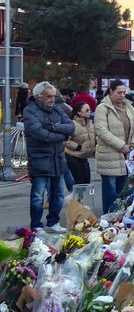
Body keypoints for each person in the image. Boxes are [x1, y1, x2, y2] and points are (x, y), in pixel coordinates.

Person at [23, 81, 74, 232]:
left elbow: (71, 127)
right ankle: (36, 225)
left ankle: (53, 222)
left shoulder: (57, 111)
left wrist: (54, 127)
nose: (52, 99)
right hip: (39, 161)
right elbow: (40, 134)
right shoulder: (29, 111)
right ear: (39, 97)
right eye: (48, 96)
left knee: (58, 195)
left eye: (53, 96)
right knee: (38, 196)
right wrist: (62, 136)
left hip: (57, 160)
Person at [94, 79, 134, 213]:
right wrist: (121, 146)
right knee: (110, 190)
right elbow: (102, 131)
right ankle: (108, 217)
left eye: (124, 92)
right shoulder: (102, 108)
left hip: (127, 155)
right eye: (119, 92)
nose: (122, 95)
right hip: (109, 155)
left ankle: (120, 217)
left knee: (123, 190)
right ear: (110, 91)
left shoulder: (129, 106)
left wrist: (133, 144)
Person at [64, 102, 96, 185]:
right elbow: (65, 140)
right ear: (79, 112)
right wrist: (77, 147)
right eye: (87, 110)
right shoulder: (72, 124)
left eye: (90, 110)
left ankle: (82, 198)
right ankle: (77, 198)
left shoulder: (90, 123)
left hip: (84, 156)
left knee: (87, 181)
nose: (89, 112)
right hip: (73, 156)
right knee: (79, 182)